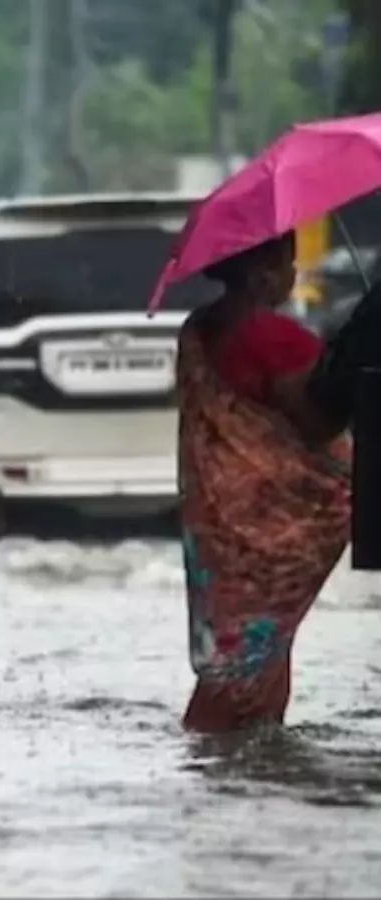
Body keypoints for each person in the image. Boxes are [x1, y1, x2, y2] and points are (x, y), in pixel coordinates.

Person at [177, 232, 351, 733]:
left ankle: (235, 765)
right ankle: (232, 753)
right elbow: (318, 424)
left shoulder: (198, 328)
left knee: (242, 649)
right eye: (287, 262)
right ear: (262, 271)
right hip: (276, 523)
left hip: (222, 523)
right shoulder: (272, 337)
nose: (293, 274)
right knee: (252, 656)